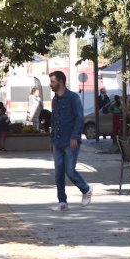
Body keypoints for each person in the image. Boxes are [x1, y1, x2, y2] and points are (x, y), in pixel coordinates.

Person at [49, 70, 93, 211]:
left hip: (70, 141)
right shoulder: (55, 100)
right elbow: (54, 120)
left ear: (61, 82)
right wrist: (52, 140)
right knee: (58, 173)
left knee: (70, 170)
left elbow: (79, 118)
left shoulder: (73, 98)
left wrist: (75, 136)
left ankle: (86, 189)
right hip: (58, 141)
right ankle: (62, 202)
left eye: (52, 81)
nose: (50, 84)